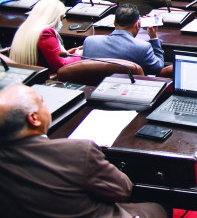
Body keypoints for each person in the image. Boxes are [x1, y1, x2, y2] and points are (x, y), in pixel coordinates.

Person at [0, 84, 167, 218]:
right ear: (33, 119)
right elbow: (123, 190)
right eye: (42, 102)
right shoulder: (78, 152)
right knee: (161, 206)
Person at [83, 3, 165, 75]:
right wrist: (154, 37)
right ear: (138, 25)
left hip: (92, 88)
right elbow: (158, 69)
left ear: (114, 22)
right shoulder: (142, 47)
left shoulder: (89, 41)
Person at [9, 0, 80, 72]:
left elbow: (42, 56)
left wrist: (67, 54)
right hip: (44, 79)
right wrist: (78, 55)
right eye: (61, 18)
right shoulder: (45, 32)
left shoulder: (25, 28)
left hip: (24, 74)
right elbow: (61, 66)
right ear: (53, 17)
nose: (61, 22)